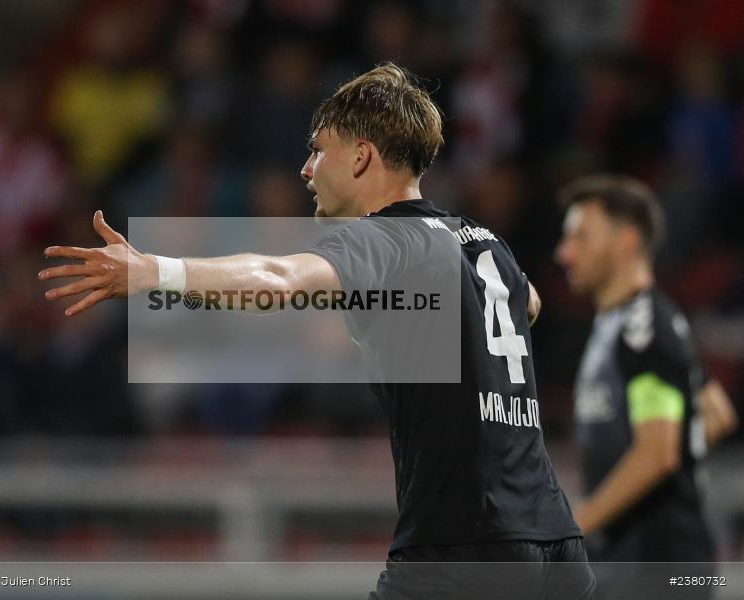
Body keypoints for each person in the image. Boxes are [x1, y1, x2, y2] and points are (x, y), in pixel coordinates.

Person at [40, 64, 595, 599]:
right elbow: (531, 304)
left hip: (467, 546)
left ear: (360, 157)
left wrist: (156, 272)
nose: (307, 168)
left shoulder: (386, 238)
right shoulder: (483, 242)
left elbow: (278, 279)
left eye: (318, 149)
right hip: (554, 541)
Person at [554, 175, 738, 569]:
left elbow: (657, 453)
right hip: (647, 559)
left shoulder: (643, 327)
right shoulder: (635, 322)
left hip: (658, 567)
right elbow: (716, 413)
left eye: (580, 237)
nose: (564, 254)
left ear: (627, 241)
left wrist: (571, 527)